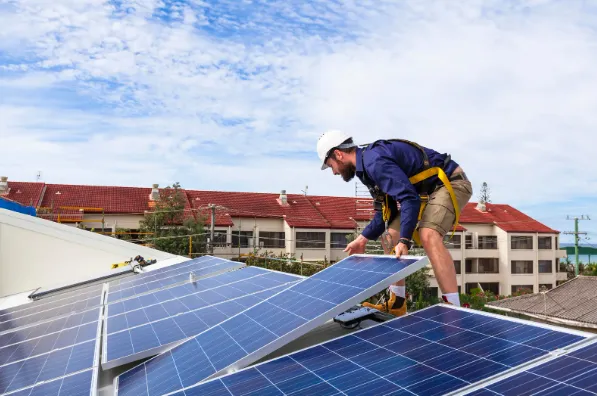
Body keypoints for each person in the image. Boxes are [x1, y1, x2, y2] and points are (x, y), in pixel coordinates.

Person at [317, 130, 472, 316]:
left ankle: (453, 310)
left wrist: (405, 240)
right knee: (391, 234)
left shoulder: (374, 162)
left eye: (330, 165)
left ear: (338, 154)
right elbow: (385, 212)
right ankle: (397, 303)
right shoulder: (365, 168)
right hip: (424, 192)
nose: (334, 172)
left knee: (428, 234)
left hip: (450, 182)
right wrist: (362, 239)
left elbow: (409, 199)